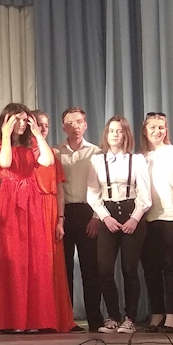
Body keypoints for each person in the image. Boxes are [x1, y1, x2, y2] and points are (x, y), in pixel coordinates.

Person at [0, 103, 74, 332]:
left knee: (36, 260)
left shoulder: (33, 144)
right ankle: (14, 320)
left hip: (32, 201)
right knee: (13, 260)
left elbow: (48, 161)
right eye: (16, 119)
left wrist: (37, 133)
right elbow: (5, 162)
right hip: (9, 202)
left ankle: (37, 319)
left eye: (24, 120)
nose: (21, 124)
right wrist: (6, 135)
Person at [86, 115, 151, 335]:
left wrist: (135, 218)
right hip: (108, 213)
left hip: (132, 212)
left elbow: (145, 195)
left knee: (130, 269)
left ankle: (130, 318)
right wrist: (105, 217)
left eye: (119, 131)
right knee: (104, 269)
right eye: (111, 131)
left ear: (126, 134)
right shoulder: (97, 161)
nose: (115, 134)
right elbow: (92, 194)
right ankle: (112, 316)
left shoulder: (137, 160)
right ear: (106, 134)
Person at [140, 112, 173, 333]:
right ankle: (157, 312)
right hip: (145, 218)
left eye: (161, 127)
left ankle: (172, 314)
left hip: (170, 216)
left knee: (171, 267)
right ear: (145, 131)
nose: (157, 131)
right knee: (150, 268)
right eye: (152, 127)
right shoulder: (140, 157)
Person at [56, 107, 104, 332]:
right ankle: (66, 320)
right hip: (63, 213)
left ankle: (95, 319)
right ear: (63, 127)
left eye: (78, 122)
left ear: (85, 125)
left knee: (90, 268)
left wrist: (96, 217)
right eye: (70, 123)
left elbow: (103, 187)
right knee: (64, 270)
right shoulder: (55, 152)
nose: (75, 126)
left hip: (88, 213)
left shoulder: (97, 152)